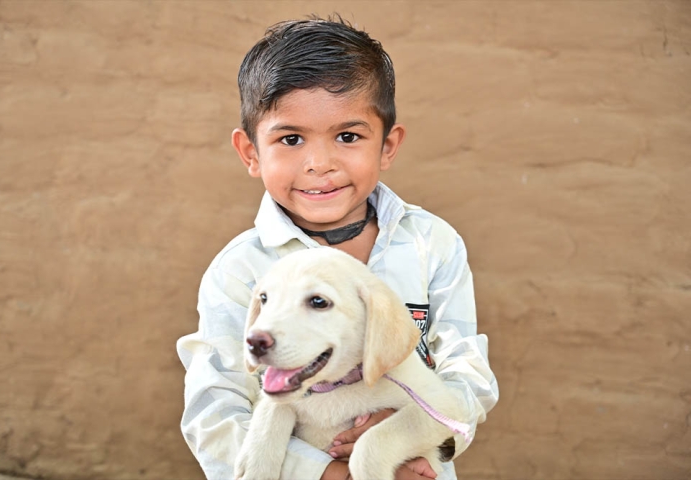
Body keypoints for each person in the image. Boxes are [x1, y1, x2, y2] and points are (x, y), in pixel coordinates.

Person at [176, 15, 499, 480]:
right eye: (290, 139)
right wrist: (326, 472)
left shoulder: (432, 244)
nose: (320, 164)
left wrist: (419, 439)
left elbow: (466, 373)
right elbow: (215, 410)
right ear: (251, 153)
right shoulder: (241, 269)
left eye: (348, 137)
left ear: (387, 146)